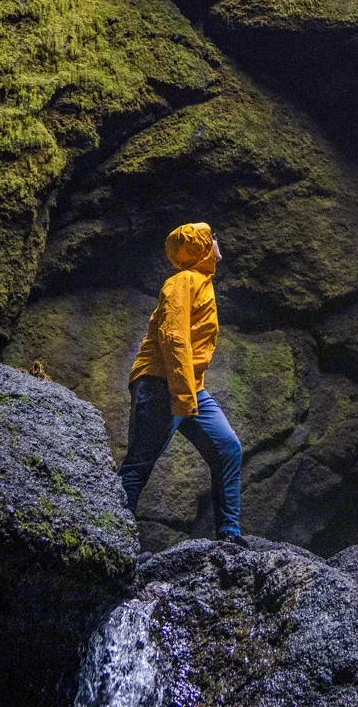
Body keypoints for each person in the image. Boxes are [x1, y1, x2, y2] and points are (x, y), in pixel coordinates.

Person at [119, 221, 245, 542]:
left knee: (228, 448)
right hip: (162, 382)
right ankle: (111, 538)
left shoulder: (202, 282)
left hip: (189, 386)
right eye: (212, 236)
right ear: (201, 245)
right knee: (138, 466)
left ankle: (229, 537)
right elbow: (173, 337)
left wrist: (189, 392)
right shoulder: (183, 281)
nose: (217, 241)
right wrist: (182, 395)